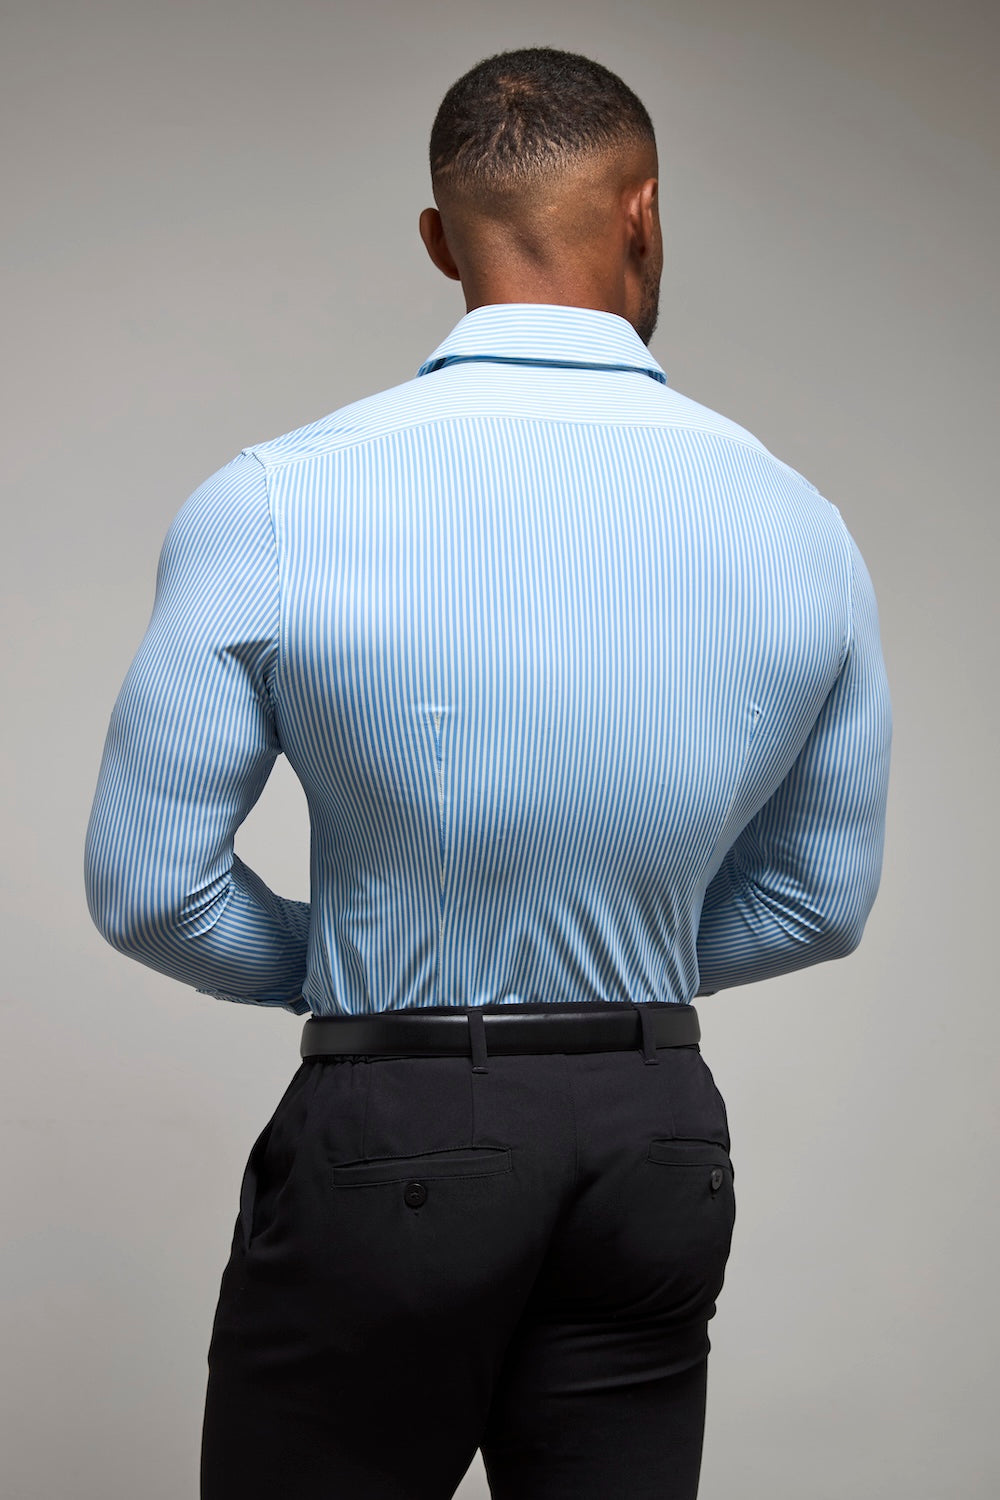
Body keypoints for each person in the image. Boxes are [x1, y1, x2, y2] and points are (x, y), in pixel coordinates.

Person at [84, 45, 892, 1500]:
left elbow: (149, 887)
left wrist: (350, 962)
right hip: (655, 1134)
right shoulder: (798, 521)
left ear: (440, 242)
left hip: (395, 1120)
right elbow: (824, 900)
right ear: (643, 215)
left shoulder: (277, 499)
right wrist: (612, 969)